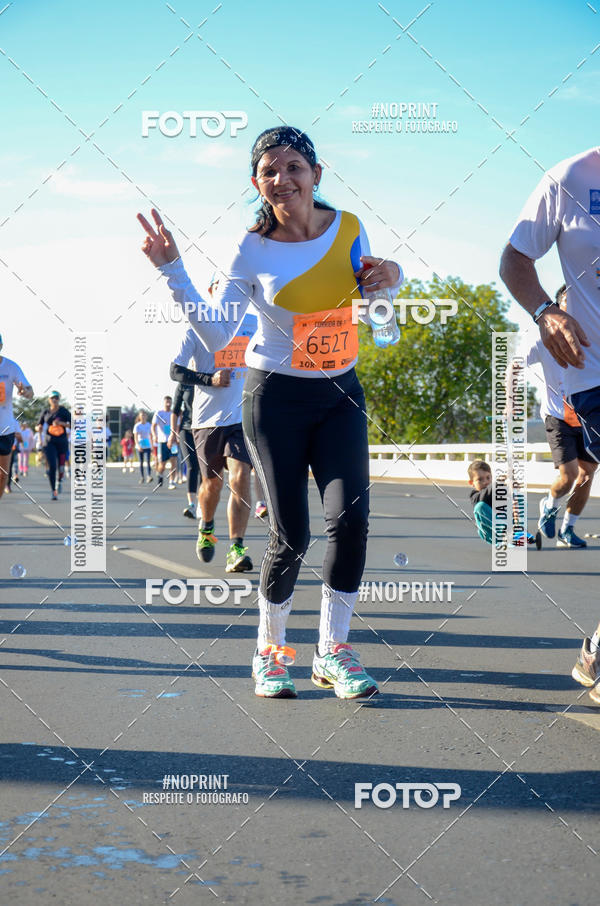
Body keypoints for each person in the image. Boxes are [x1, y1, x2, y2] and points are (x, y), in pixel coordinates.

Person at [138, 125, 403, 699]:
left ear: (316, 174)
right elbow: (218, 332)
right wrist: (172, 271)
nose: (282, 179)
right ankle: (269, 653)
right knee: (292, 532)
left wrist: (392, 279)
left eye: (293, 168)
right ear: (256, 184)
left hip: (341, 395)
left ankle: (333, 652)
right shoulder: (249, 248)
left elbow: (379, 309)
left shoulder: (350, 227)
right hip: (275, 398)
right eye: (268, 172)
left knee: (351, 522)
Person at [499, 147, 600, 701]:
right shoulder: (569, 178)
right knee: (568, 478)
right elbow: (513, 260)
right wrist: (547, 312)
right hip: (589, 381)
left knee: (581, 480)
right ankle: (547, 519)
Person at [170, 320, 255, 572]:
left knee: (240, 478)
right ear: (212, 290)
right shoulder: (197, 328)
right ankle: (206, 527)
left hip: (242, 418)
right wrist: (209, 379)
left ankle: (237, 549)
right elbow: (175, 370)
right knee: (213, 484)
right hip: (207, 421)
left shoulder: (253, 323)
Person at [525, 286, 597, 548]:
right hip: (557, 415)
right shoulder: (545, 338)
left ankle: (568, 530)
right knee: (568, 475)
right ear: (557, 306)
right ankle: (549, 507)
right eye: (567, 301)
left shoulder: (593, 335)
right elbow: (515, 361)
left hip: (585, 414)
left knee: (587, 475)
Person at [0, 336, 33, 500]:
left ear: (1, 345)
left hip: (5, 428)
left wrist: (24, 392)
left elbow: (29, 390)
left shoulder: (11, 367)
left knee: (2, 476)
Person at [37, 391, 71, 500]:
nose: (54, 400)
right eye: (52, 398)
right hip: (49, 442)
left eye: (56, 398)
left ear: (59, 399)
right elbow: (38, 425)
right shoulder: (45, 412)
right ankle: (53, 490)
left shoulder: (64, 411)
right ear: (49, 400)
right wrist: (38, 428)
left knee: (61, 468)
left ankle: (59, 481)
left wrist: (62, 424)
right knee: (52, 466)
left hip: (62, 441)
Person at [151, 396, 177, 489]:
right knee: (162, 464)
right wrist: (154, 435)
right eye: (167, 402)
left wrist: (177, 437)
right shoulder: (159, 413)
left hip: (173, 442)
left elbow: (177, 427)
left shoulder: (174, 414)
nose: (168, 404)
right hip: (162, 442)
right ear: (164, 403)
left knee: (174, 461)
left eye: (170, 402)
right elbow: (153, 426)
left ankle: (172, 482)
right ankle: (160, 475)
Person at [133, 411, 153, 483]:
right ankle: (142, 477)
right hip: (140, 445)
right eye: (142, 415)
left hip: (147, 445)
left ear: (146, 416)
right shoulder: (137, 426)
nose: (143, 417)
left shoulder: (149, 425)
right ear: (139, 417)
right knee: (141, 462)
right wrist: (138, 446)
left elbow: (151, 435)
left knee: (148, 461)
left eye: (144, 415)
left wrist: (152, 445)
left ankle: (149, 476)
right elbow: (135, 437)